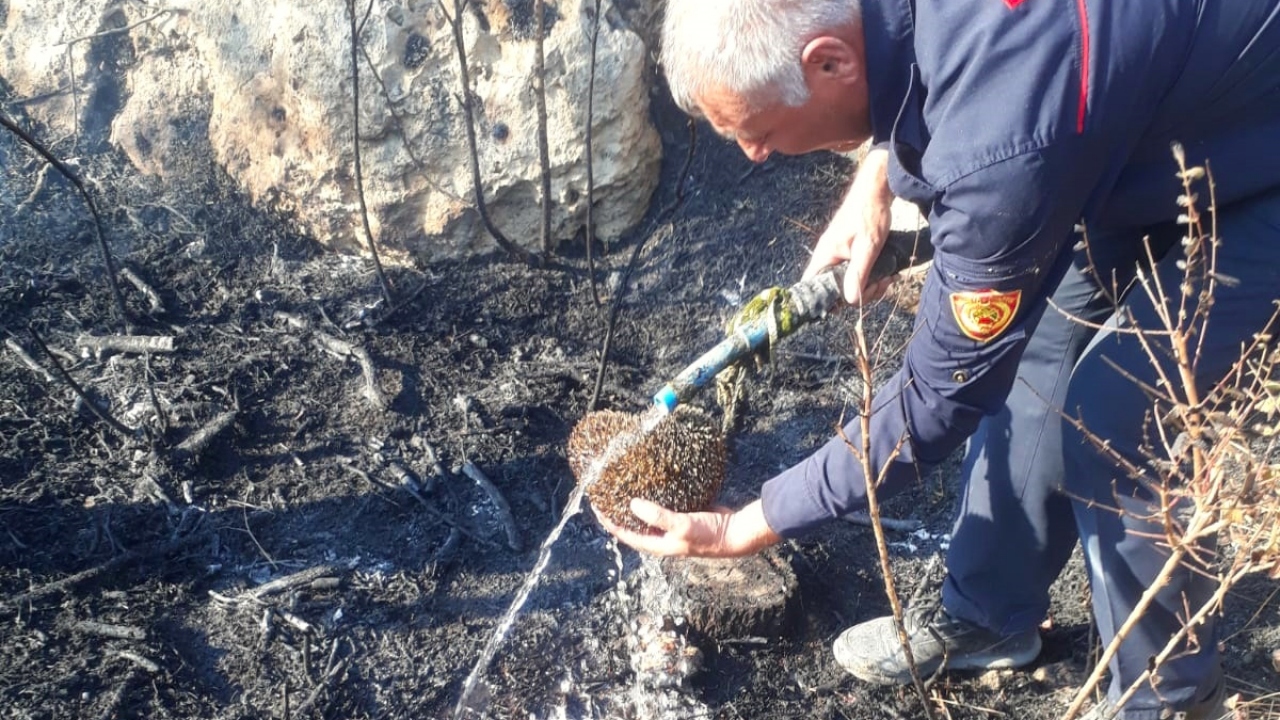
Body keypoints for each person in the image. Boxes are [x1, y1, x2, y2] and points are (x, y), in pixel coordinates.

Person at [594, 1, 1280, 718]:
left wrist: (745, 525)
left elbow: (937, 398)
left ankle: (1167, 701)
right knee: (1045, 341)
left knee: (1116, 411)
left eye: (759, 132)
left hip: (1258, 158)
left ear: (828, 61)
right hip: (1156, 119)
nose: (754, 156)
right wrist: (879, 174)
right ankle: (990, 614)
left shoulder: (999, 149)